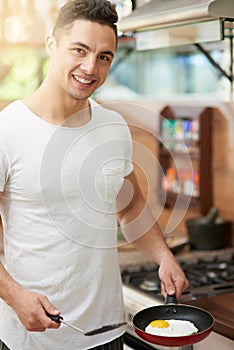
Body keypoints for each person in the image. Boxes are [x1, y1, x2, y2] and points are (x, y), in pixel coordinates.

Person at [0, 1, 189, 349]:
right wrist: (14, 296)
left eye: (104, 56)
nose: (91, 67)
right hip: (33, 337)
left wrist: (163, 256)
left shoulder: (113, 126)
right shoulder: (8, 131)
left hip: (107, 332)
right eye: (79, 50)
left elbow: (128, 206)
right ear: (51, 44)